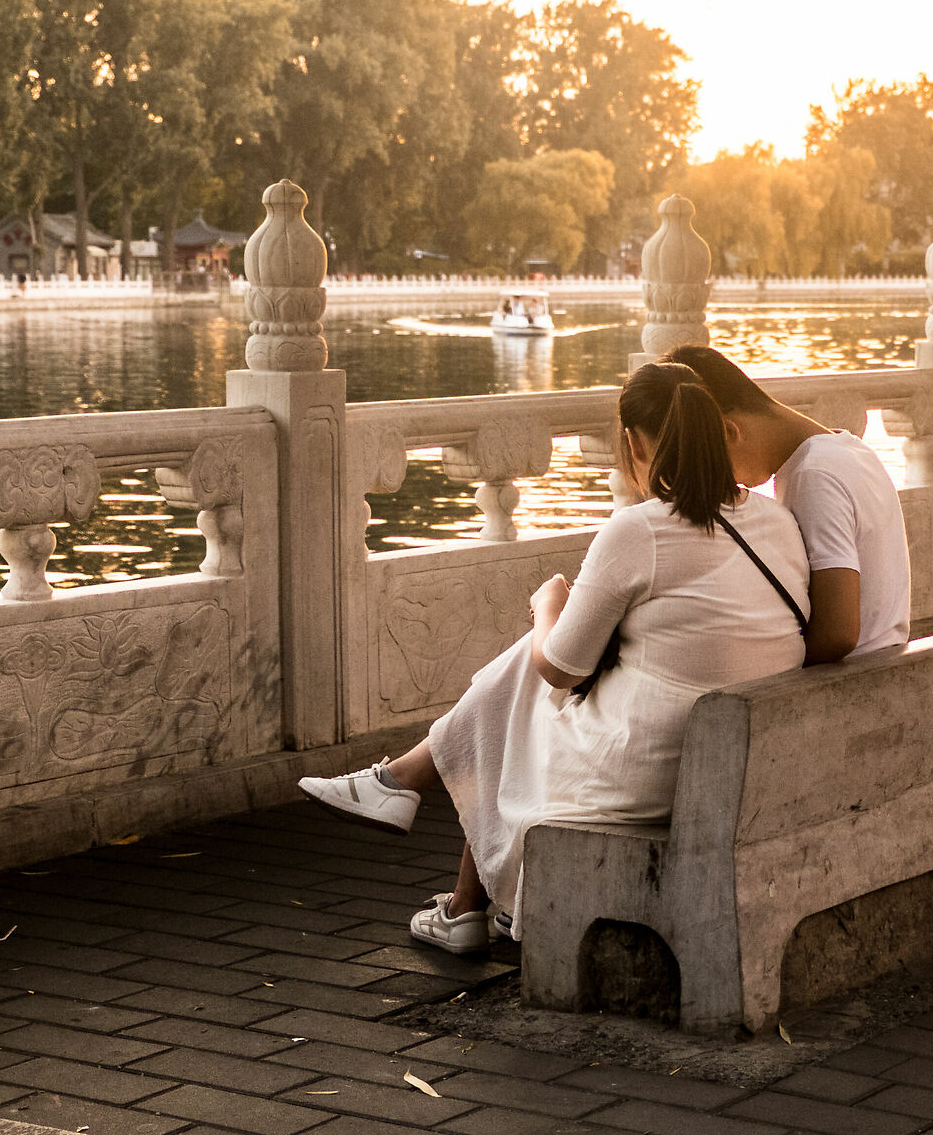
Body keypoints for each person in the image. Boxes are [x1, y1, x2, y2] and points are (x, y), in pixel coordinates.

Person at [296, 363, 811, 955]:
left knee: (521, 687)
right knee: (520, 687)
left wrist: (548, 602)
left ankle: (413, 803)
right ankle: (432, 845)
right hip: (737, 763)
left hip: (651, 774)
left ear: (636, 444)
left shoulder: (639, 530)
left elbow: (561, 668)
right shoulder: (777, 522)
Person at [663, 344, 911, 663]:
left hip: (847, 681)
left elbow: (839, 634)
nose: (721, 482)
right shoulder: (847, 447)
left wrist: (755, 664)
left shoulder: (814, 474)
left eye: (705, 456)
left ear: (728, 431)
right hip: (883, 663)